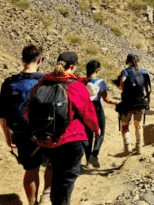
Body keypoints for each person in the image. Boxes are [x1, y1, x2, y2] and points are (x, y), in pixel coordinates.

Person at [26, 52, 99, 205]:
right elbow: (87, 112)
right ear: (72, 67)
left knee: (55, 176)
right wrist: (96, 129)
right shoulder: (76, 86)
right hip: (71, 140)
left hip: (46, 140)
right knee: (65, 182)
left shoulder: (42, 83)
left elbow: (28, 110)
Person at [0, 45, 54, 205]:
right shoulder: (48, 81)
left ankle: (32, 203)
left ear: (22, 60)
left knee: (31, 170)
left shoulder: (9, 83)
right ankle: (46, 195)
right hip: (47, 132)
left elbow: (2, 115)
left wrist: (8, 136)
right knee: (51, 164)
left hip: (21, 133)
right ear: (40, 61)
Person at [83, 60, 115, 170]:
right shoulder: (100, 82)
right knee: (100, 132)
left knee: (88, 135)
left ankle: (88, 161)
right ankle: (94, 156)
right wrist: (117, 102)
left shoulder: (82, 82)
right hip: (97, 109)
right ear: (97, 70)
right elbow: (106, 99)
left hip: (86, 110)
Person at [117, 53, 151, 155]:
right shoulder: (144, 72)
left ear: (128, 60)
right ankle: (139, 148)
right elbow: (148, 90)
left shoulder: (125, 72)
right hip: (140, 103)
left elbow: (121, 86)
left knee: (125, 126)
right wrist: (148, 102)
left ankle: (127, 148)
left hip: (127, 104)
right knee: (138, 126)